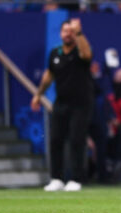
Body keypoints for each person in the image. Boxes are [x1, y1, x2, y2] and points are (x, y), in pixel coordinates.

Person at [31, 18, 93, 191]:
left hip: (81, 104)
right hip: (61, 102)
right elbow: (48, 76)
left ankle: (75, 179)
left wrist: (79, 32)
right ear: (60, 33)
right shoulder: (55, 52)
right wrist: (38, 95)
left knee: (76, 140)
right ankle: (56, 178)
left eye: (71, 31)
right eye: (66, 31)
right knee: (55, 140)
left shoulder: (81, 48)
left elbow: (87, 55)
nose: (68, 34)